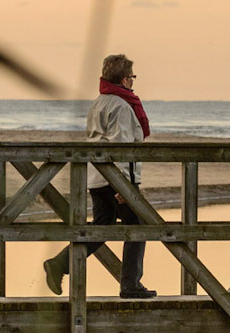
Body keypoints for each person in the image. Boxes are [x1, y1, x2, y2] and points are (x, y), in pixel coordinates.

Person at [44, 53, 154, 299]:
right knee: (139, 226)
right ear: (125, 80)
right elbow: (121, 147)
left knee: (101, 227)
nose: (134, 82)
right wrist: (124, 187)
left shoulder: (99, 102)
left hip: (96, 176)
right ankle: (130, 285)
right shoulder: (122, 106)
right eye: (132, 77)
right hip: (114, 177)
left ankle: (60, 264)